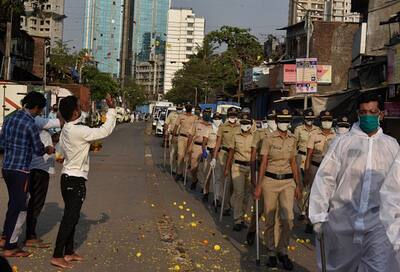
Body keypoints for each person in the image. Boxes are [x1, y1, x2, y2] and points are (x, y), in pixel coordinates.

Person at [309, 92, 400, 272]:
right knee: (338, 268)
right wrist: (318, 215)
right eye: (363, 112)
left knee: (379, 268)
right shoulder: (343, 143)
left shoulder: (391, 146)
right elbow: (325, 178)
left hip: (378, 223)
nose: (368, 116)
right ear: (358, 114)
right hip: (343, 220)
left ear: (380, 114)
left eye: (372, 112)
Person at [51, 94, 116, 269]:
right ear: (74, 113)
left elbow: (61, 154)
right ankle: (58, 254)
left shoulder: (67, 128)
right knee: (70, 217)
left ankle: (69, 251)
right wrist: (111, 110)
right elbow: (104, 131)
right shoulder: (77, 130)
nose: (82, 110)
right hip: (74, 179)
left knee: (73, 216)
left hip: (68, 177)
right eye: (79, 107)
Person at [0, 92, 55, 257]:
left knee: (14, 205)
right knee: (21, 207)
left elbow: (1, 143)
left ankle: (6, 237)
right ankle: (11, 245)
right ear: (37, 108)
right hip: (21, 170)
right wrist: (48, 149)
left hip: (7, 168)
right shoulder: (29, 124)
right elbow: (38, 149)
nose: (39, 113)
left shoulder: (10, 119)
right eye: (40, 110)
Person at [254, 108, 301, 270]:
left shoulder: (293, 138)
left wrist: (298, 185)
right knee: (270, 218)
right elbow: (263, 163)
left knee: (288, 218)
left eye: (287, 121)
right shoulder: (268, 139)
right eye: (281, 120)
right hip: (269, 181)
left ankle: (282, 250)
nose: (284, 123)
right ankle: (272, 252)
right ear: (277, 120)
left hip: (288, 182)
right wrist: (258, 185)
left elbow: (294, 163)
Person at [25, 116, 63, 248]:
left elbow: (50, 137)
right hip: (38, 168)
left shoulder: (33, 122)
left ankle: (14, 235)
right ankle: (30, 236)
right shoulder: (37, 119)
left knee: (29, 203)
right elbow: (57, 122)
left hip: (37, 167)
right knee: (35, 203)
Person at [247, 111, 277, 245]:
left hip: (277, 173)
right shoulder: (260, 133)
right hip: (262, 172)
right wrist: (253, 175)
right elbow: (253, 155)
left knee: (274, 210)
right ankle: (252, 229)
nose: (273, 121)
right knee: (259, 207)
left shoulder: (287, 134)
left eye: (275, 119)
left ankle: (270, 240)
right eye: (271, 119)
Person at [304, 111, 336, 233]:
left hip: (329, 170)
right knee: (313, 194)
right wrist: (307, 172)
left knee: (327, 196)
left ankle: (324, 220)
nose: (326, 122)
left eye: (329, 119)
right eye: (324, 119)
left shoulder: (336, 136)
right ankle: (309, 220)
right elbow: (309, 155)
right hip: (315, 167)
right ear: (321, 121)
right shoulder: (314, 135)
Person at [224, 112, 254, 231]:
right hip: (237, 167)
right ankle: (237, 219)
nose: (244, 125)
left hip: (250, 167)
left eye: (247, 124)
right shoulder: (236, 136)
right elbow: (231, 153)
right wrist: (227, 168)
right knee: (239, 193)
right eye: (243, 123)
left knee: (247, 195)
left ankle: (242, 216)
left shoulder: (255, 137)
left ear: (251, 125)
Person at [210, 107, 241, 216]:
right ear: (228, 116)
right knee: (223, 179)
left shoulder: (241, 126)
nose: (232, 117)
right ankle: (222, 201)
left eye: (234, 115)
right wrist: (214, 157)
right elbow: (218, 142)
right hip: (224, 153)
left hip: (236, 154)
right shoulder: (223, 126)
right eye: (231, 115)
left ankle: (226, 200)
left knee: (232, 182)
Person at [294, 109, 319, 219]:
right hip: (301, 156)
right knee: (301, 183)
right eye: (308, 118)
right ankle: (301, 210)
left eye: (311, 119)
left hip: (312, 157)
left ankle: (308, 208)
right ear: (304, 118)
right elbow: (294, 145)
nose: (310, 120)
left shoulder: (317, 130)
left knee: (310, 185)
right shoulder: (298, 129)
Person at [187, 108, 212, 191]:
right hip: (196, 146)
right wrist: (188, 147)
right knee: (193, 167)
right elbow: (191, 135)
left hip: (207, 147)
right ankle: (194, 180)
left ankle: (204, 186)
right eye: (206, 112)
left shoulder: (212, 125)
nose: (207, 114)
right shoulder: (196, 123)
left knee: (205, 168)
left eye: (209, 113)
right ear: (202, 113)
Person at [172, 104, 198, 181]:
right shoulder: (181, 116)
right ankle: (179, 172)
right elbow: (176, 126)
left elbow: (197, 127)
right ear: (186, 109)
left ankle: (184, 174)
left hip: (191, 138)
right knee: (180, 155)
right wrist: (173, 136)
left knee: (187, 157)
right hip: (182, 137)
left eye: (190, 108)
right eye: (188, 108)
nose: (188, 109)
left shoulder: (195, 117)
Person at [202, 112, 223, 202]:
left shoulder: (223, 129)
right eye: (215, 118)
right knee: (208, 175)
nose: (217, 120)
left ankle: (217, 197)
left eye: (218, 118)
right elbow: (204, 142)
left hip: (219, 155)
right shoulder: (209, 129)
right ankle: (205, 192)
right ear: (213, 119)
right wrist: (204, 151)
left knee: (218, 177)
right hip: (210, 153)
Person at [164, 105, 182, 170]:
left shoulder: (184, 115)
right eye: (178, 108)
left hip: (181, 137)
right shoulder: (171, 114)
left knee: (180, 154)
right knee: (172, 152)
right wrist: (166, 130)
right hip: (172, 135)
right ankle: (173, 168)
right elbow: (166, 123)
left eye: (180, 108)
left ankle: (179, 169)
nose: (179, 110)